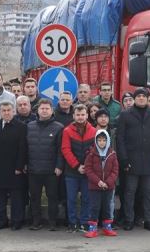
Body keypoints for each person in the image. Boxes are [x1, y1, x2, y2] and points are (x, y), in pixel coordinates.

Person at [116, 87, 150, 231]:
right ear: (135, 99)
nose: (141, 98)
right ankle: (129, 220)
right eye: (139, 96)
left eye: (144, 96)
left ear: (147, 98)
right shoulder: (125, 115)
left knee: (148, 192)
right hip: (131, 161)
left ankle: (148, 220)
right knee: (130, 192)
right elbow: (120, 139)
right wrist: (123, 159)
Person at [0, 101, 28, 230]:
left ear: (13, 111)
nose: (6, 112)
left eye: (8, 110)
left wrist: (19, 167)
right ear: (0, 112)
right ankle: (2, 220)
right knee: (0, 197)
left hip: (14, 168)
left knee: (16, 197)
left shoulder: (21, 127)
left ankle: (17, 221)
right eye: (3, 110)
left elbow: (23, 149)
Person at [26, 99, 64, 231]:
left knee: (52, 197)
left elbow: (61, 150)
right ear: (38, 110)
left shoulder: (59, 127)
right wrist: (25, 164)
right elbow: (25, 148)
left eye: (47, 108)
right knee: (34, 197)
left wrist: (59, 166)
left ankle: (53, 222)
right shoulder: (29, 126)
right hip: (33, 169)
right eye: (42, 108)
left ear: (51, 110)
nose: (44, 111)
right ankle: (36, 222)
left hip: (51, 171)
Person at [61, 104, 97, 232]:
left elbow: (94, 151)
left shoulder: (94, 131)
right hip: (71, 171)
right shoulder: (67, 131)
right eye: (78, 115)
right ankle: (72, 222)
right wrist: (77, 166)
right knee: (71, 199)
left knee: (87, 198)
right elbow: (66, 150)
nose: (80, 117)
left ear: (87, 116)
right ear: (73, 116)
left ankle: (85, 222)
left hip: (88, 172)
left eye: (83, 115)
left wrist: (86, 167)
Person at [84, 130, 119, 238]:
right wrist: (98, 181)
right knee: (94, 207)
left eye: (104, 140)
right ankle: (92, 228)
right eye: (99, 140)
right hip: (95, 186)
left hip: (108, 187)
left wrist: (107, 182)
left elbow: (115, 170)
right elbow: (88, 169)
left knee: (107, 207)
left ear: (108, 140)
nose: (102, 142)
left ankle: (107, 227)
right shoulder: (91, 154)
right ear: (96, 141)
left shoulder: (112, 154)